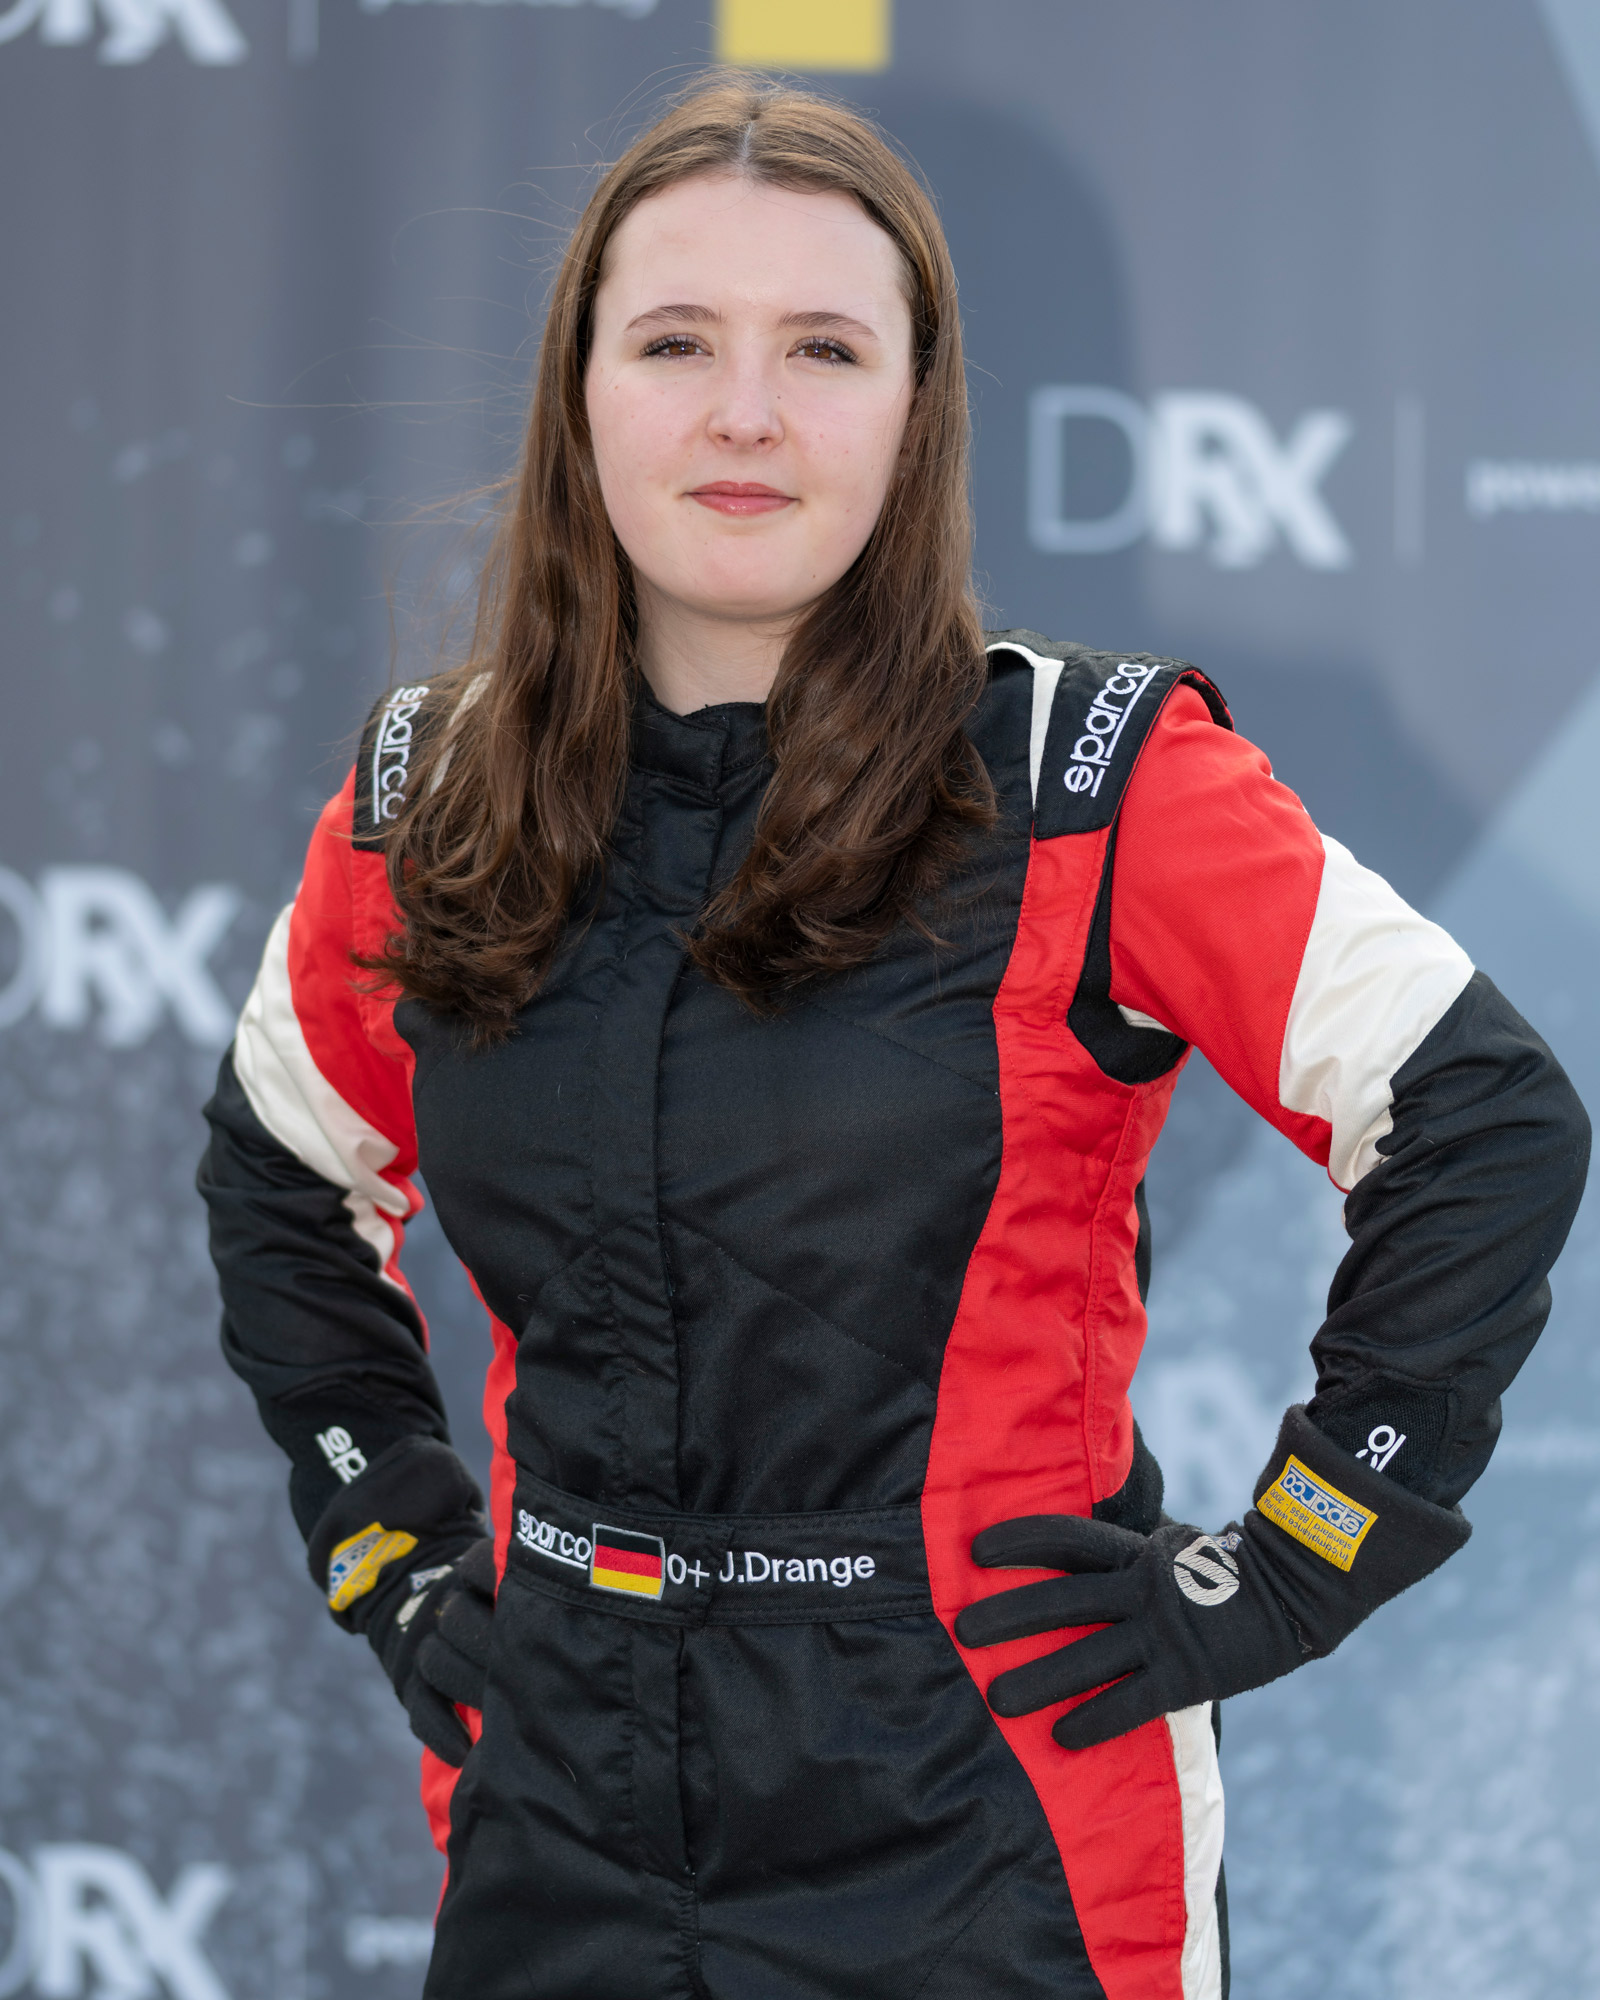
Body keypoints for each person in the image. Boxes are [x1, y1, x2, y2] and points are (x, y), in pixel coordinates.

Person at [197, 75, 1588, 2000]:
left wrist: (1288, 1564)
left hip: (986, 1816)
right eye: (676, 341)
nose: (745, 411)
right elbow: (280, 1174)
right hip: (559, 1805)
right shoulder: (431, 794)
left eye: (824, 349)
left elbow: (1483, 1119)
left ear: (916, 411)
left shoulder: (1097, 782)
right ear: (579, 391)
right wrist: (391, 1547)